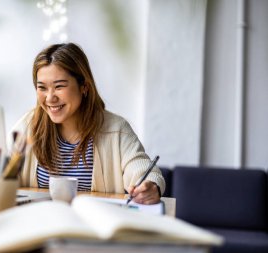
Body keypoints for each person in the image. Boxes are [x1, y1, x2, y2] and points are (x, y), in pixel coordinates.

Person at [10, 43, 165, 204]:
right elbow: (1, 172)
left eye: (59, 86)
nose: (50, 98)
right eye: (42, 88)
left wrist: (151, 186)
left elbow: (140, 168)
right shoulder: (27, 127)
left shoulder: (116, 129)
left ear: (84, 86)